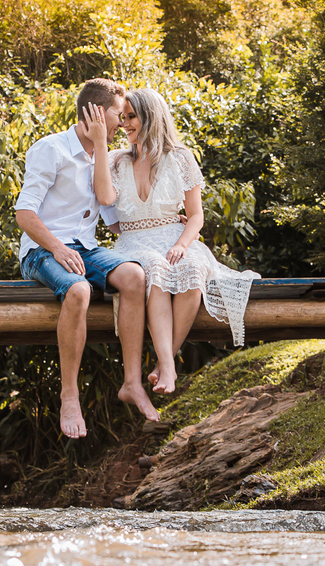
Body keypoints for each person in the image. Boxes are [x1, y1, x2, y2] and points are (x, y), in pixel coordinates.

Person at [84, 87, 259, 395]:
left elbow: (195, 216)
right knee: (155, 269)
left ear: (151, 116)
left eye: (132, 117)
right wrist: (99, 146)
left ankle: (165, 363)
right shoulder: (114, 160)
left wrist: (181, 244)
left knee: (192, 269)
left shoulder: (180, 158)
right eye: (122, 117)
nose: (125, 124)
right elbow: (105, 198)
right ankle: (168, 365)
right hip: (133, 241)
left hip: (175, 236)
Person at [14, 78, 160, 438]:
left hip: (86, 248)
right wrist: (57, 248)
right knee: (78, 291)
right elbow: (24, 213)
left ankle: (131, 382)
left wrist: (171, 219)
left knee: (134, 278)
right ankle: (69, 395)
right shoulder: (51, 149)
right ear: (94, 112)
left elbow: (114, 221)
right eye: (117, 113)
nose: (123, 122)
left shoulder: (104, 158)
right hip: (42, 250)